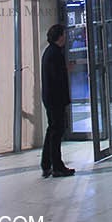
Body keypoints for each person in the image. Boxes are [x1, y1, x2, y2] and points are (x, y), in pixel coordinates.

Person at [41, 24, 74, 178]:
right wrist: (66, 70)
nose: (65, 37)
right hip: (55, 99)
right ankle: (57, 166)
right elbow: (57, 77)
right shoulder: (55, 54)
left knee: (52, 130)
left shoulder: (49, 52)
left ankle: (46, 164)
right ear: (59, 36)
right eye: (64, 34)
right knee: (56, 131)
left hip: (50, 98)